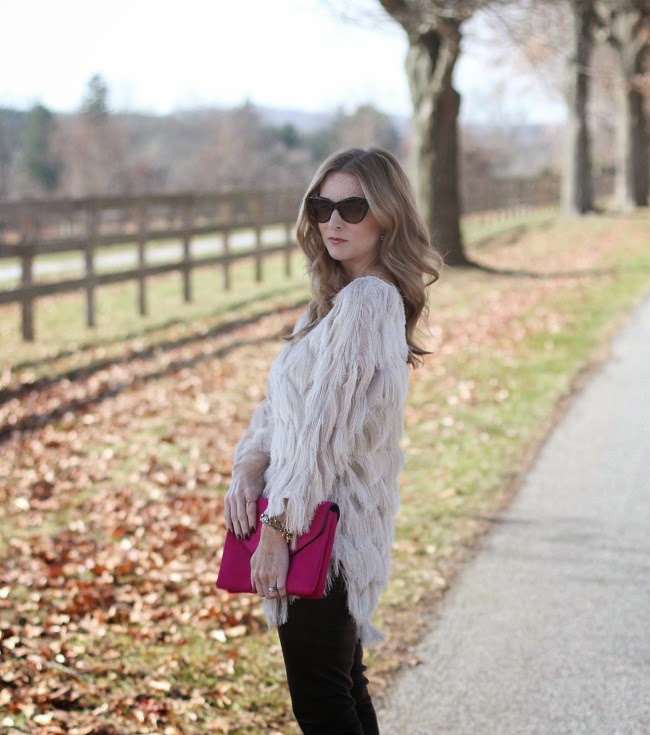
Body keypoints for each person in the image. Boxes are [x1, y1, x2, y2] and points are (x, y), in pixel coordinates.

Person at [223, 146, 442, 734]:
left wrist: (276, 531)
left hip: (324, 533)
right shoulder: (328, 306)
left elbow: (321, 438)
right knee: (342, 689)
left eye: (353, 207)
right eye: (322, 207)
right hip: (318, 523)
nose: (333, 221)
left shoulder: (367, 302)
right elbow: (279, 411)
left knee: (322, 704)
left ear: (387, 216)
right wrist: (248, 467)